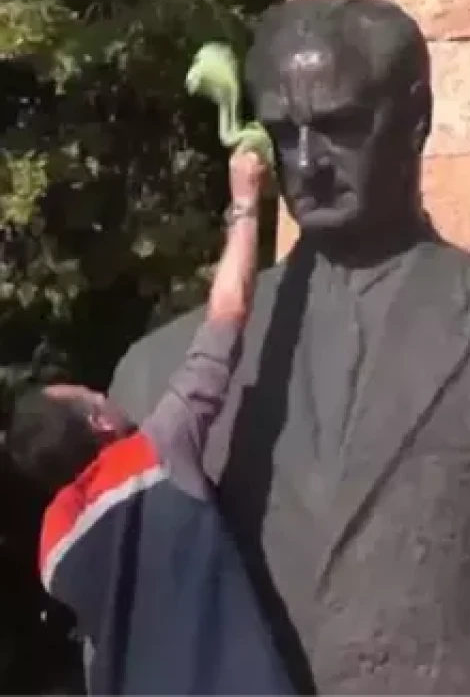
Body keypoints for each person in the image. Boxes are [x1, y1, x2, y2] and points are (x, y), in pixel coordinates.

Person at [106, 0, 470, 697]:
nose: (307, 163)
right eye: (283, 132)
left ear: (416, 118)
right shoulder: (157, 373)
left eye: (340, 126)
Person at [6, 149, 293, 697]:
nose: (106, 394)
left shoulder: (54, 548)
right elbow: (227, 317)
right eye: (94, 394)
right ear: (98, 420)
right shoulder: (153, 455)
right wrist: (244, 201)